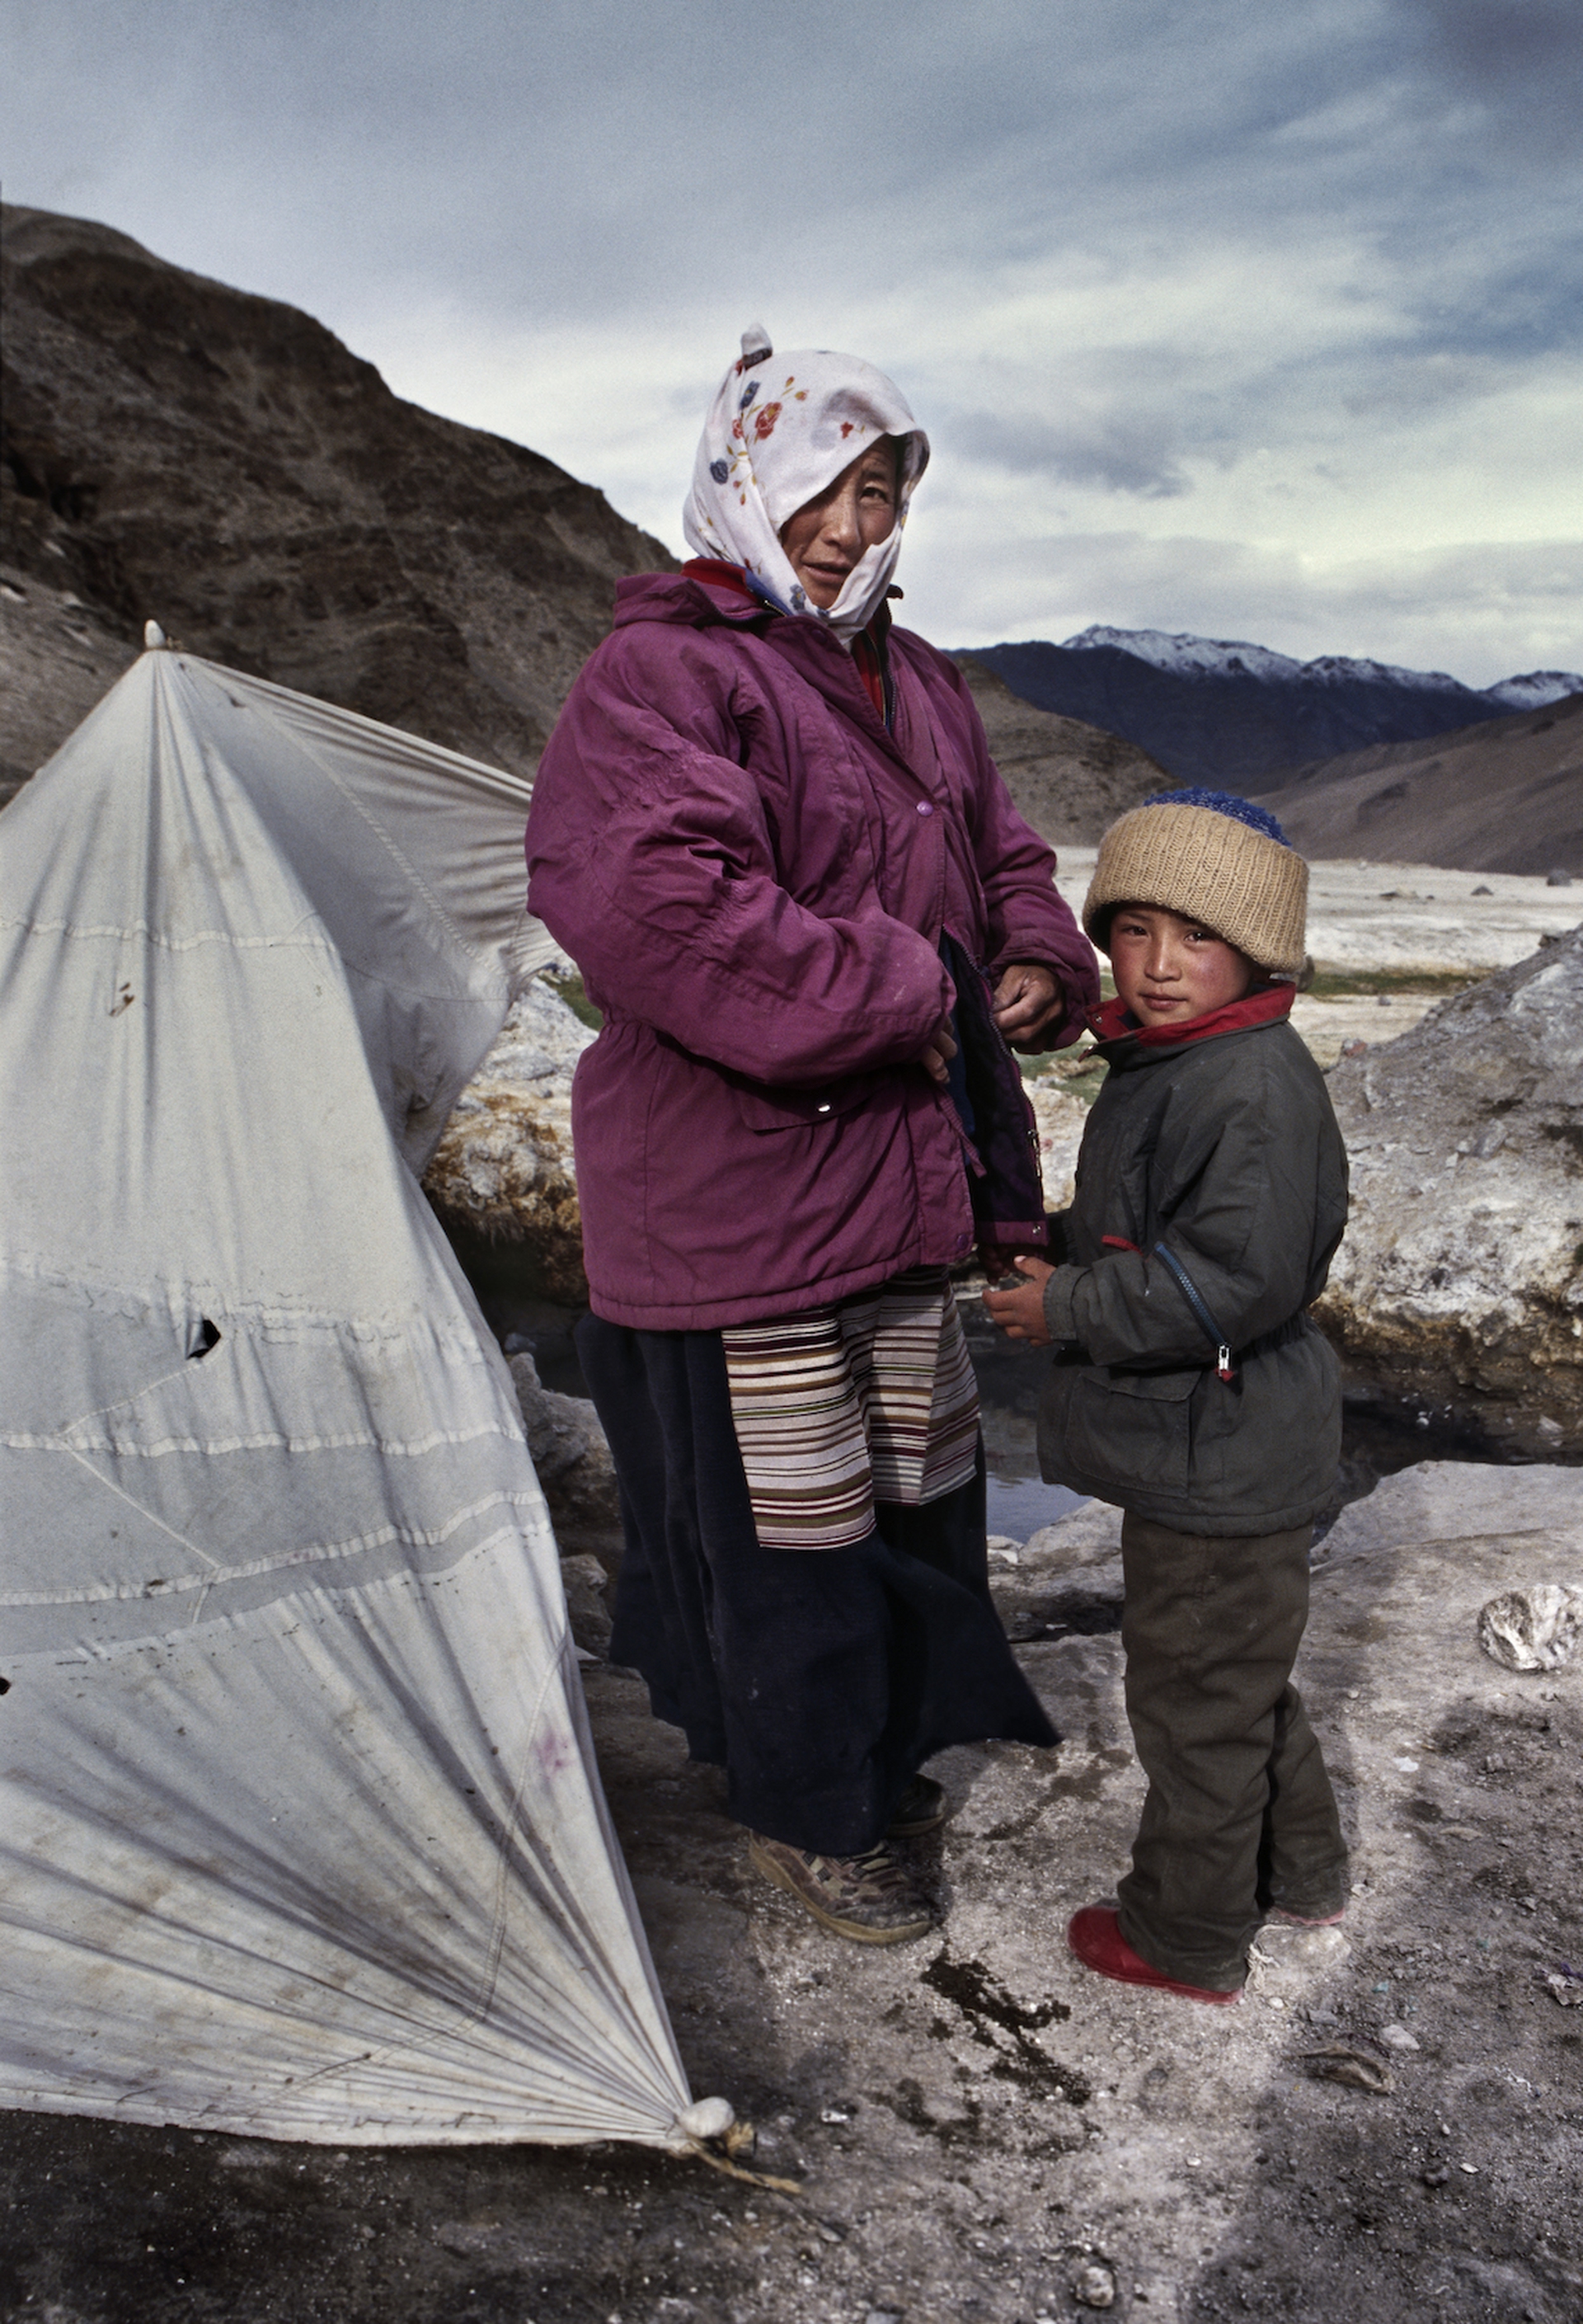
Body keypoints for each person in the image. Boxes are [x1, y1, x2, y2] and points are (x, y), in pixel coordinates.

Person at [525, 328, 1098, 1944]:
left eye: (881, 490)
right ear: (745, 478)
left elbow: (1001, 853)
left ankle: (877, 1751)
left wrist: (1039, 953)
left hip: (903, 1185)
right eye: (824, 491)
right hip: (741, 1199)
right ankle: (808, 1808)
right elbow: (656, 909)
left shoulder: (918, 682)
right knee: (790, 1533)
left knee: (908, 1499)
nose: (853, 526)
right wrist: (913, 978)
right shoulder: (667, 675)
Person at [984, 788, 1350, 2002]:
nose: (1157, 964)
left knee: (1197, 1701)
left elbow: (1233, 1280)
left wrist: (1069, 1308)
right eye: (1132, 930)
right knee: (1234, 1675)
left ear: (1254, 944)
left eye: (1195, 935)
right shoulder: (1188, 1061)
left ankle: (1186, 1935)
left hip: (1219, 1448)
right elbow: (1158, 1225)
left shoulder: (1245, 1085)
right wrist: (1067, 1241)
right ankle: (1301, 1870)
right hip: (1221, 1447)